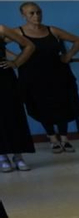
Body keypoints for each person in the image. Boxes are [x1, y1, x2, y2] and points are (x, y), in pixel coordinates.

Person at [14, 1, 79, 154]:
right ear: (23, 16)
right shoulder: (18, 32)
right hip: (33, 76)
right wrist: (16, 60)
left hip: (58, 74)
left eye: (38, 12)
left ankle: (64, 139)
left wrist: (69, 55)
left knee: (63, 104)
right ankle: (52, 138)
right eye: (31, 13)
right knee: (41, 106)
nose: (36, 16)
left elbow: (78, 40)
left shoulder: (52, 30)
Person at [0, 22, 36, 172]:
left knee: (12, 114)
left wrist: (15, 63)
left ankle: (18, 155)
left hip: (4, 79)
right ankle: (2, 156)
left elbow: (29, 46)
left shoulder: (1, 29)